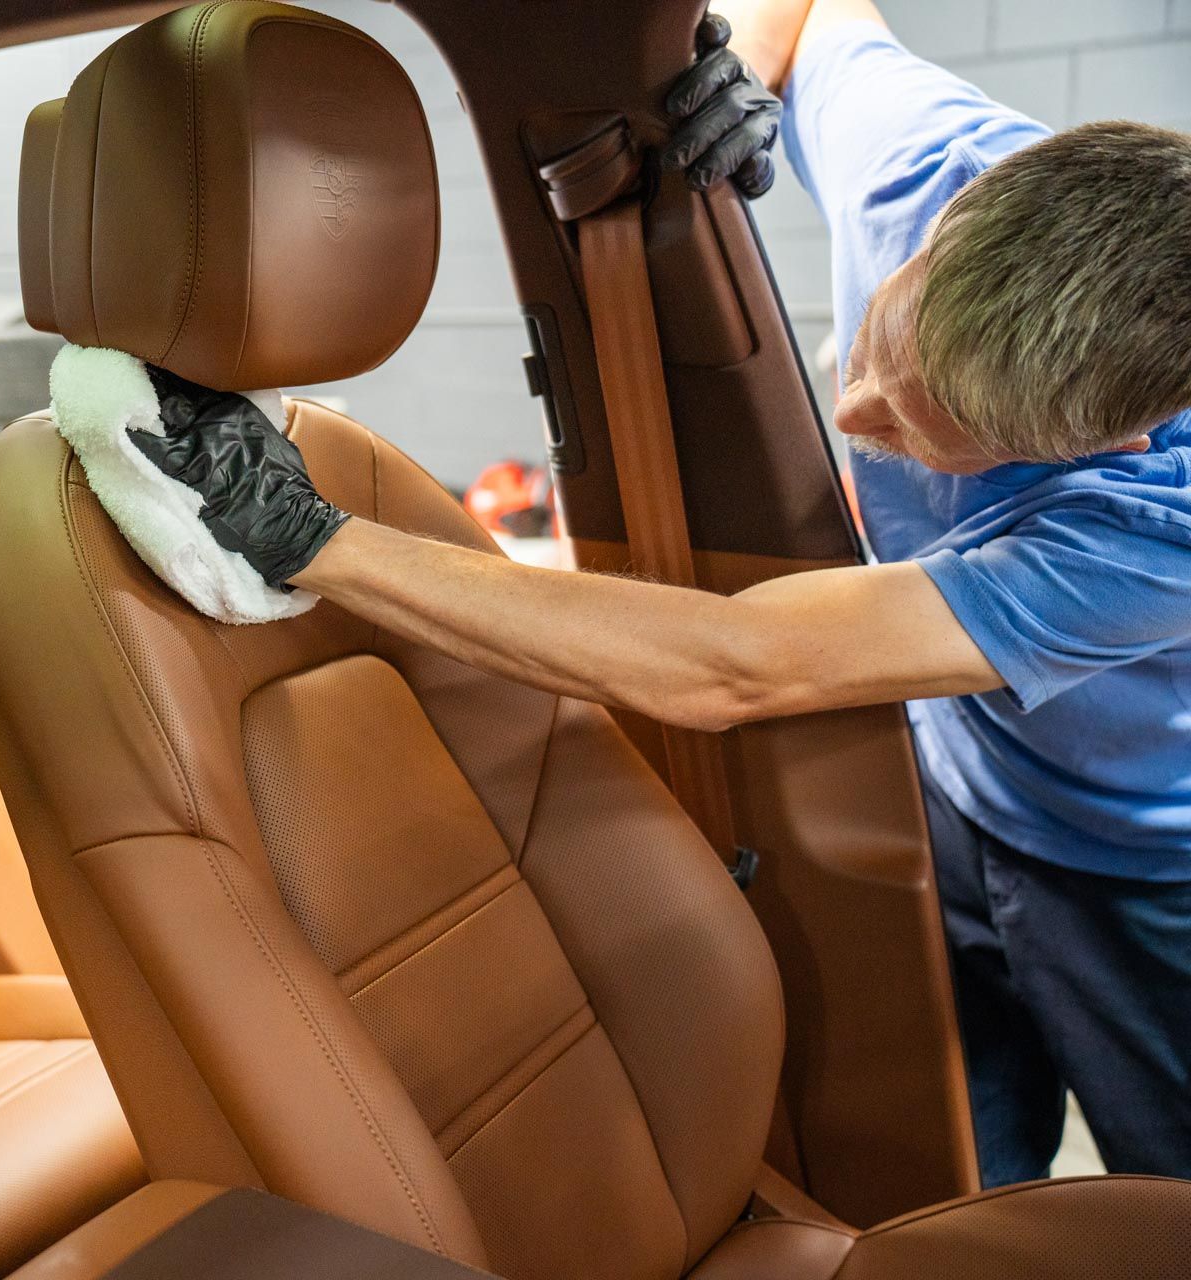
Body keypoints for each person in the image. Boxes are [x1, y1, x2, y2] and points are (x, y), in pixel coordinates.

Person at [127, 0, 1191, 1185]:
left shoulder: (1161, 523)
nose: (854, 414)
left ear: (1114, 444)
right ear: (945, 228)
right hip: (960, 782)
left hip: (1143, 855)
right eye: (879, 348)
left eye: (924, 433)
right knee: (952, 1171)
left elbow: (741, 659)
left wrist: (316, 541)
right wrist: (743, 63)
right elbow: (820, 11)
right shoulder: (929, 161)